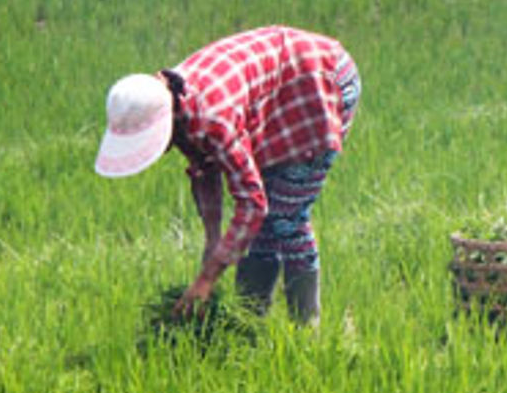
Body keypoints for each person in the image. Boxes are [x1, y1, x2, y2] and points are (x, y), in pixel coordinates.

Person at [95, 26, 360, 326]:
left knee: (286, 216)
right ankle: (249, 323)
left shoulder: (211, 117)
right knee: (262, 225)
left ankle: (307, 330)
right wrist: (213, 241)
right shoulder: (176, 103)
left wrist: (208, 278)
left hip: (321, 81)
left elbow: (252, 203)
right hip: (279, 92)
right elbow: (204, 167)